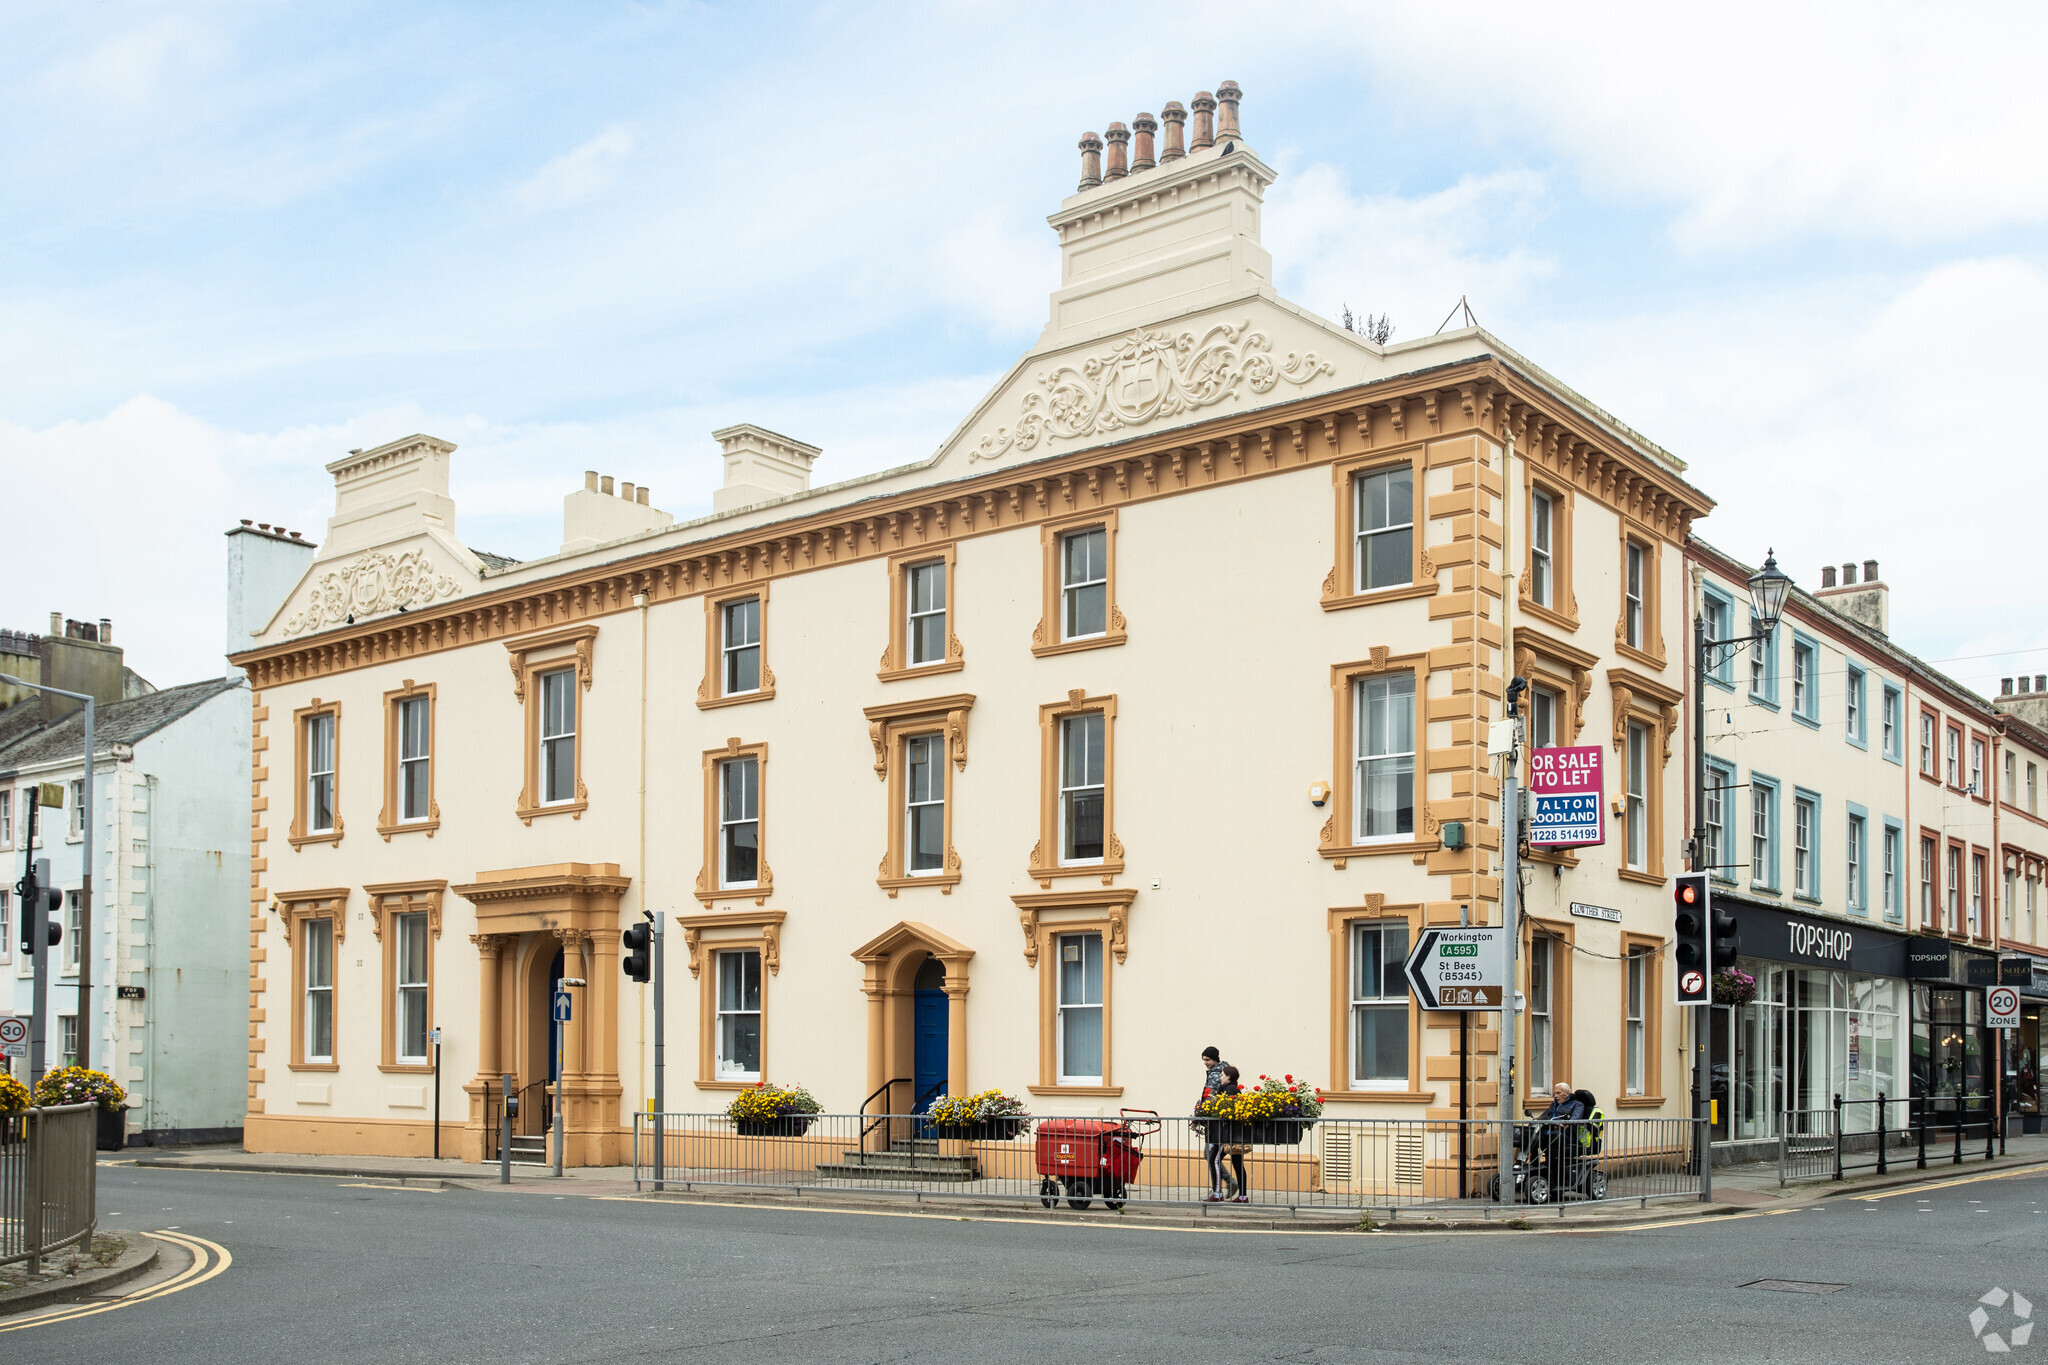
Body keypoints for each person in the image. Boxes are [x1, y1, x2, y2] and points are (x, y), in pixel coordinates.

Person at [1198, 1046, 1229, 1201]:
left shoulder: (1217, 1074)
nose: (1205, 1063)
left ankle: (1220, 1190)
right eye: (1203, 1060)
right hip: (1213, 1122)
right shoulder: (1217, 1072)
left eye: (1207, 1060)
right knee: (1210, 1156)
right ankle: (1224, 1186)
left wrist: (1203, 1110)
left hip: (1216, 1123)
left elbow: (1212, 1097)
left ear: (1215, 1059)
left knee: (1211, 1156)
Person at [1218, 1065, 1250, 1203]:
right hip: (1237, 1134)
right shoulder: (1234, 1089)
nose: (1220, 1077)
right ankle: (1243, 1196)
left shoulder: (1229, 1090)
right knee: (1237, 1164)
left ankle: (1216, 1192)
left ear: (1229, 1077)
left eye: (1222, 1075)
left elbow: (1227, 1111)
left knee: (1214, 1158)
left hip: (1231, 1134)